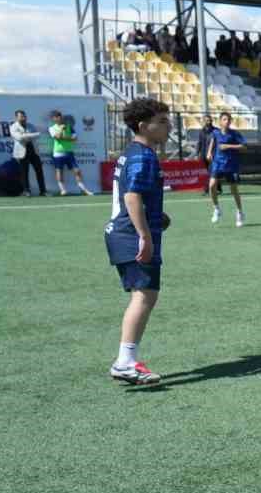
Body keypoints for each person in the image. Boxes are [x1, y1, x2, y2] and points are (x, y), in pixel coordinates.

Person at [105, 96, 173, 385]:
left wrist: (157, 217)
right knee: (144, 294)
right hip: (131, 236)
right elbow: (132, 196)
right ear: (143, 126)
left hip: (125, 232)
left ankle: (127, 359)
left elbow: (135, 196)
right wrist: (144, 234)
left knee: (145, 294)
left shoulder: (134, 152)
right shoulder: (143, 156)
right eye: (162, 121)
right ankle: (125, 361)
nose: (168, 126)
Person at [207, 111, 246, 227]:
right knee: (211, 185)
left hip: (230, 164)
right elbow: (212, 142)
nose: (227, 121)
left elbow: (243, 146)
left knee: (234, 190)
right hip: (217, 163)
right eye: (224, 119)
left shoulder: (234, 134)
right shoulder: (215, 133)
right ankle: (216, 209)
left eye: (228, 120)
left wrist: (228, 146)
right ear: (220, 121)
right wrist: (209, 152)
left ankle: (239, 212)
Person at [47, 112, 95, 195]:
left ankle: (83, 190)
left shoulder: (69, 127)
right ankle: (63, 190)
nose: (59, 118)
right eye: (56, 117)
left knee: (77, 171)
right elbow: (57, 137)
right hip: (58, 153)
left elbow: (75, 139)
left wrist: (63, 138)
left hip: (69, 152)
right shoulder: (51, 128)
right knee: (59, 171)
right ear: (53, 119)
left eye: (60, 117)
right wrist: (62, 130)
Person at [10, 109, 47, 197]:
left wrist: (26, 136)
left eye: (24, 116)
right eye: (21, 116)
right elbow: (19, 138)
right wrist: (32, 135)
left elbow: (38, 136)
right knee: (24, 172)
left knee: (39, 171)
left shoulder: (30, 125)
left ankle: (43, 191)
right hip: (22, 152)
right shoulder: (13, 127)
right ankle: (26, 191)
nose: (23, 118)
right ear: (16, 117)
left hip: (33, 150)